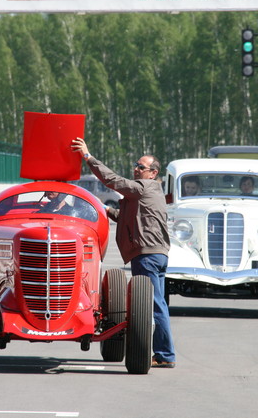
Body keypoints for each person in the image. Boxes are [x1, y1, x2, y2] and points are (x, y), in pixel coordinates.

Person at [70, 137, 176, 368]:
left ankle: (165, 355)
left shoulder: (143, 188)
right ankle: (165, 353)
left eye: (141, 167)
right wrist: (103, 208)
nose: (136, 169)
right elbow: (125, 218)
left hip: (146, 256)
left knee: (151, 306)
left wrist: (88, 157)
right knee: (158, 304)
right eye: (136, 165)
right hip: (155, 254)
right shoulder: (150, 191)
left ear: (153, 172)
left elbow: (112, 180)